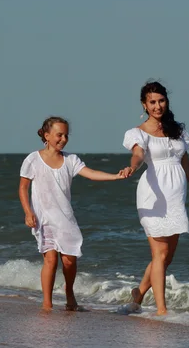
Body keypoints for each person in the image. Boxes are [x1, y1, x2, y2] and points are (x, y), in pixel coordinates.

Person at [19, 116, 127, 311]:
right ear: (47, 135)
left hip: (65, 218)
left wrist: (115, 176)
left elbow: (90, 173)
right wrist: (28, 212)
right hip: (43, 219)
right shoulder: (33, 159)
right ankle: (47, 303)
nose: (63, 139)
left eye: (66, 135)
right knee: (50, 259)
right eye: (59, 134)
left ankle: (69, 292)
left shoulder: (70, 160)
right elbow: (22, 188)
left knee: (69, 261)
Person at [122, 81, 189, 315]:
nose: (158, 106)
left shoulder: (177, 130)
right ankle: (161, 309)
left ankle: (138, 294)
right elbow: (138, 155)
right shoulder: (137, 132)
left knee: (167, 257)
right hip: (152, 194)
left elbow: (186, 163)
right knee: (158, 254)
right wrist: (132, 168)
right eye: (152, 102)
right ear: (144, 105)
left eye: (161, 101)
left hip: (176, 195)